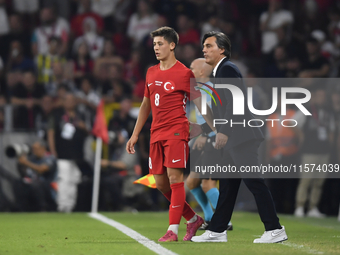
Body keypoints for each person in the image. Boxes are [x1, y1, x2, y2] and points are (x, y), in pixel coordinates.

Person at [192, 31, 287, 243]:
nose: (204, 50)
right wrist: (206, 128)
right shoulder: (221, 72)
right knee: (227, 186)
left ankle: (275, 228)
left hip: (241, 136)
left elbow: (236, 102)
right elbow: (221, 109)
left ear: (222, 49)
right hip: (236, 136)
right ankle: (217, 230)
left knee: (254, 182)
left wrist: (223, 131)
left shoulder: (227, 68)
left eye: (209, 46)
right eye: (204, 46)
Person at [126, 27, 215, 242]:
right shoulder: (151, 72)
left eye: (160, 44)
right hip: (156, 133)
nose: (156, 48)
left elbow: (200, 104)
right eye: (155, 44)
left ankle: (172, 230)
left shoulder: (184, 73)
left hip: (176, 131)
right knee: (161, 183)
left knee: (175, 179)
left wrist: (214, 129)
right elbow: (146, 104)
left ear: (172, 45)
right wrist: (135, 133)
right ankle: (193, 219)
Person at [186, 58, 232, 231]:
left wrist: (206, 135)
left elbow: (218, 117)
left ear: (201, 72)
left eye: (191, 68)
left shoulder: (212, 90)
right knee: (192, 182)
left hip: (215, 141)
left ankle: (224, 220)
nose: (189, 71)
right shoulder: (200, 90)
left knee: (207, 183)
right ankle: (210, 217)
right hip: (206, 140)